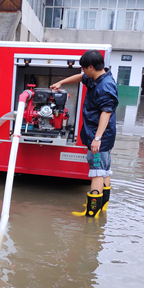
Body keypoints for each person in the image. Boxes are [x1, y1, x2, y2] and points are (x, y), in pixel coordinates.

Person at [50, 49, 118, 218]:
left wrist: (97, 138)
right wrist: (61, 83)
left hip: (100, 136)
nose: (82, 71)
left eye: (83, 68)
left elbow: (106, 113)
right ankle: (102, 207)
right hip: (104, 137)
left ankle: (92, 213)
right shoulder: (98, 77)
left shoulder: (105, 86)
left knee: (96, 171)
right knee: (105, 170)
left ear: (91, 67)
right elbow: (81, 77)